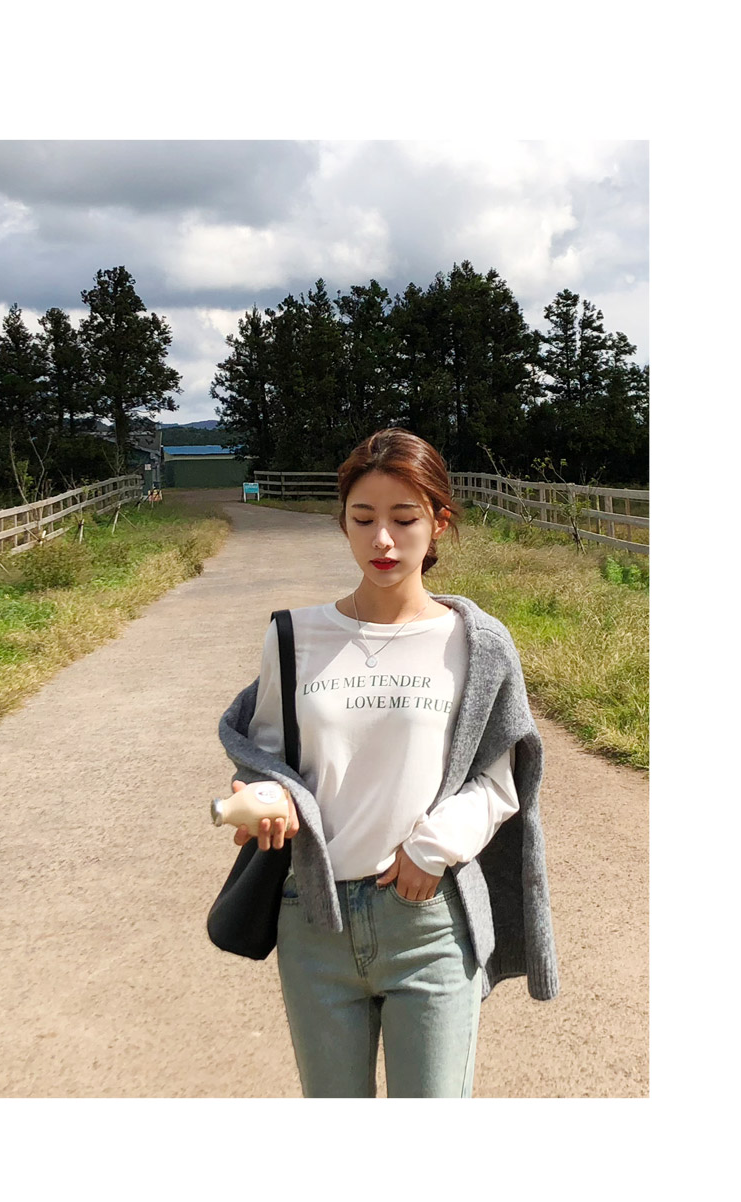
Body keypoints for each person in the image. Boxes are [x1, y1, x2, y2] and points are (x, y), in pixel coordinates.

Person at [216, 428, 558, 1098]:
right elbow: (269, 757)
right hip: (313, 918)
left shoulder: (477, 643)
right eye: (363, 518)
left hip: (427, 920)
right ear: (342, 522)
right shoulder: (292, 637)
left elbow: (500, 777)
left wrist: (433, 849)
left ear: (438, 524)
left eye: (404, 519)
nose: (383, 541)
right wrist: (268, 797)